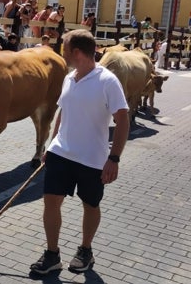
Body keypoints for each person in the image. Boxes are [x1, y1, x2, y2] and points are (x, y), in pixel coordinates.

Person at [30, 29, 129, 276]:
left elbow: (123, 119)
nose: (61, 53)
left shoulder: (107, 81)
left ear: (76, 52)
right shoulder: (69, 78)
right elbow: (62, 113)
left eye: (63, 48)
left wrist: (114, 158)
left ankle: (85, 249)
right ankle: (52, 255)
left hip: (92, 159)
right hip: (61, 154)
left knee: (90, 204)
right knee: (51, 201)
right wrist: (50, 147)